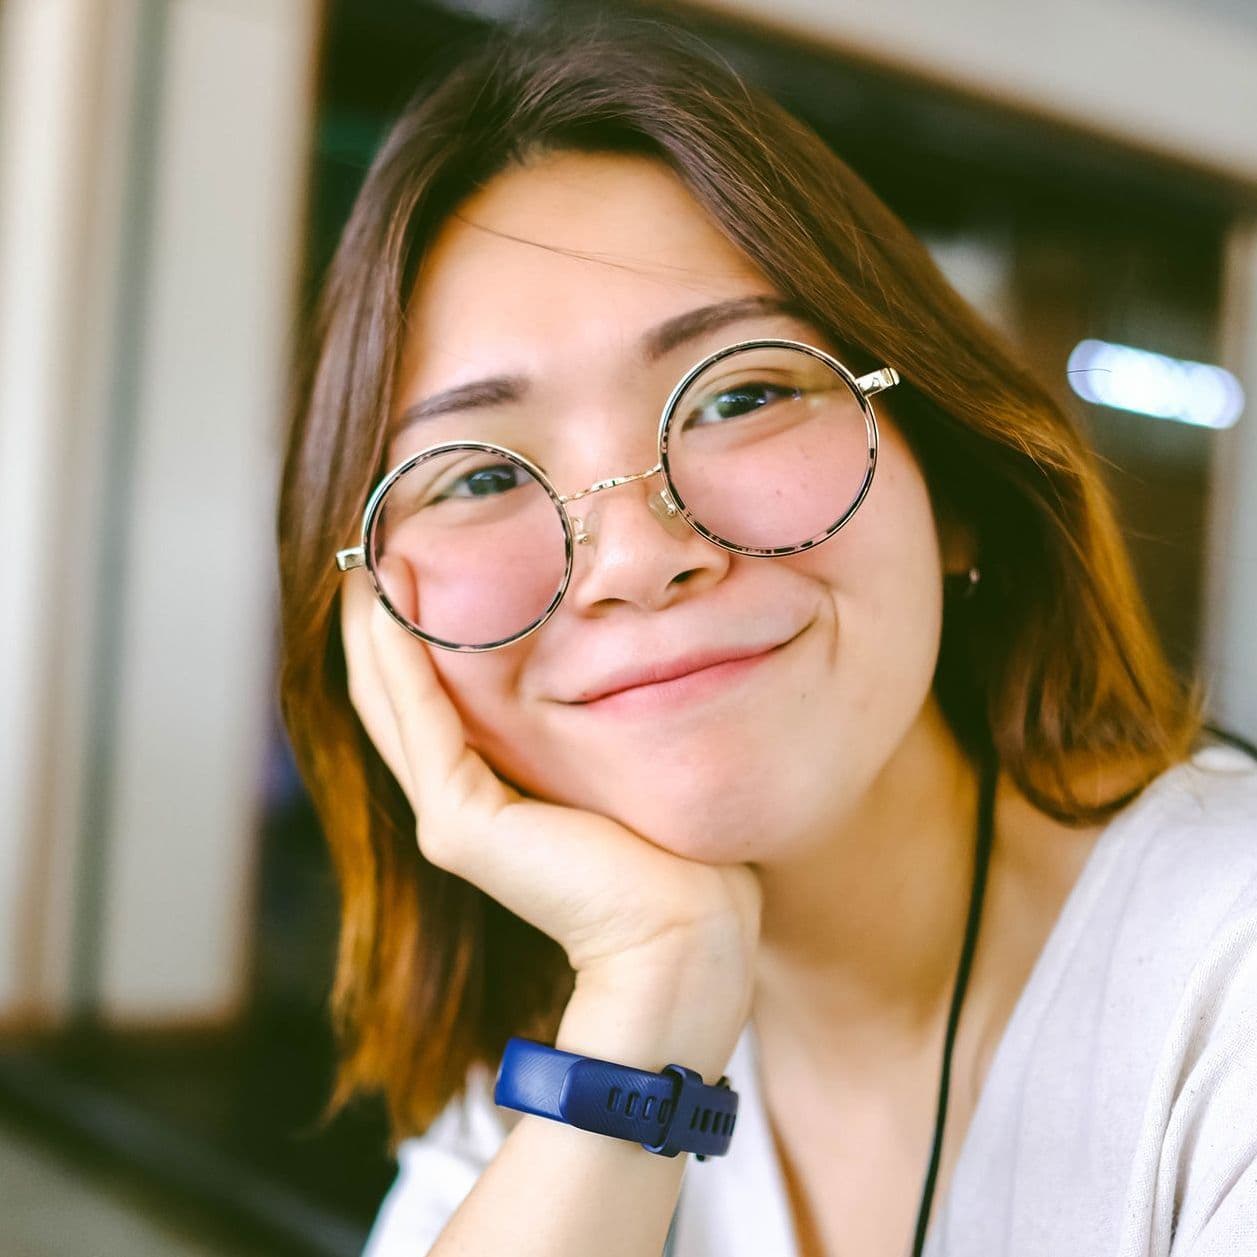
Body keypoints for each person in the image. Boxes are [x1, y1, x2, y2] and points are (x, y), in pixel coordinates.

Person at [276, 19, 1257, 1257]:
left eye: (741, 395)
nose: (634, 553)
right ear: (378, 628)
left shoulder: (1228, 979)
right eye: (476, 479)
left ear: (949, 484)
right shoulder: (582, 1025)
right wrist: (654, 981)